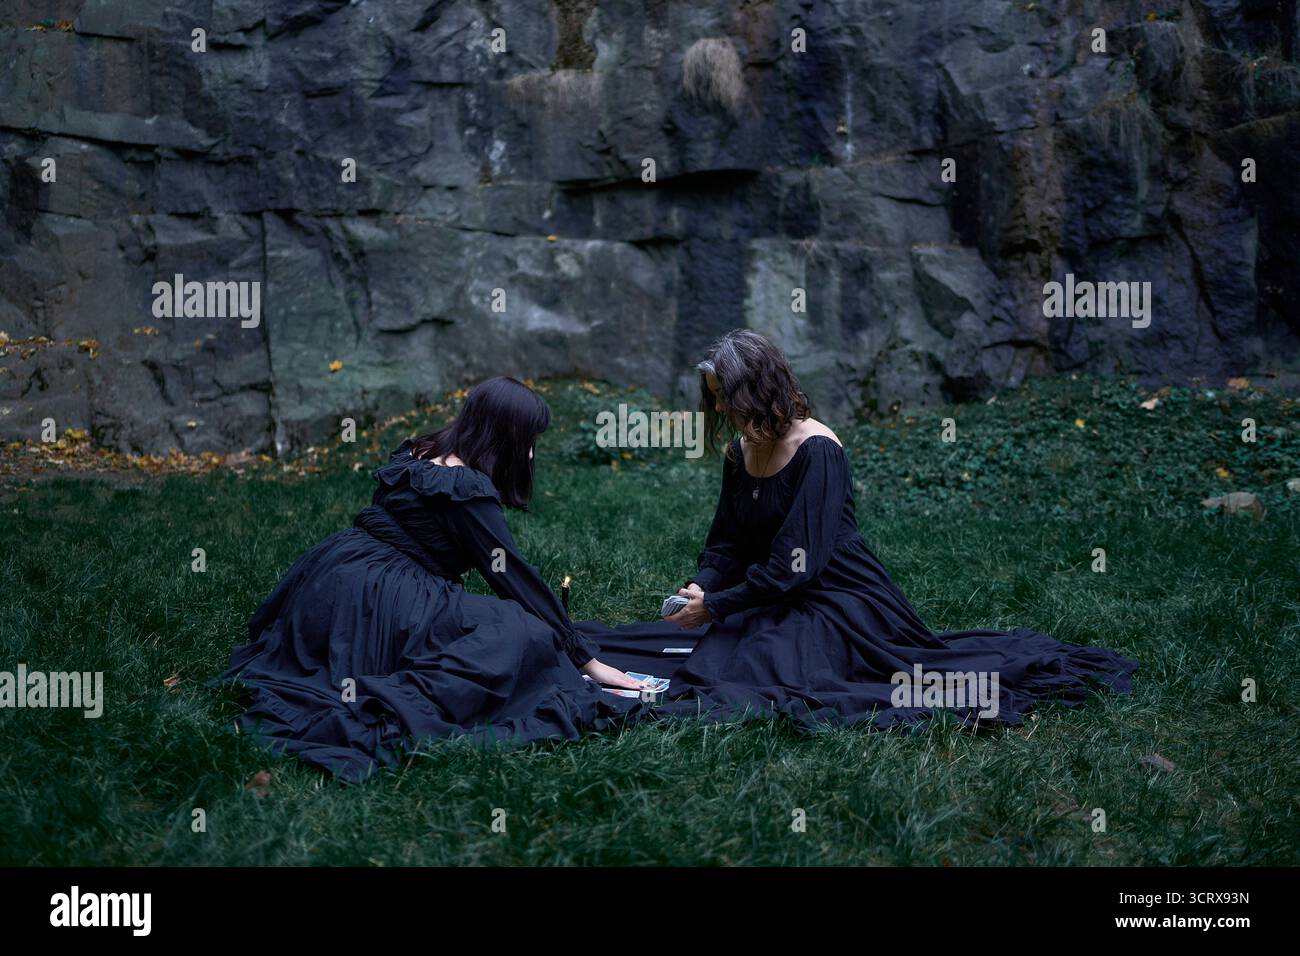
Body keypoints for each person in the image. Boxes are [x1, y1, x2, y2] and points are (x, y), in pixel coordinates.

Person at [582, 329, 1138, 730]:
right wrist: (705, 585)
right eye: (715, 399)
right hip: (767, 589)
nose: (720, 407)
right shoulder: (739, 449)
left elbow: (798, 564)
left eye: (726, 396)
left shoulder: (817, 450)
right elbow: (726, 541)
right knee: (713, 655)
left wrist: (720, 607)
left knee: (764, 669)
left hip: (835, 596)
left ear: (755, 391)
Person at [215, 376, 647, 782]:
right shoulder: (464, 488)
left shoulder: (418, 453)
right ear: (506, 438)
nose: (532, 455)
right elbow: (513, 578)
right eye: (529, 442)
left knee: (508, 628)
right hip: (391, 595)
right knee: (523, 632)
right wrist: (585, 659)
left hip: (336, 574)